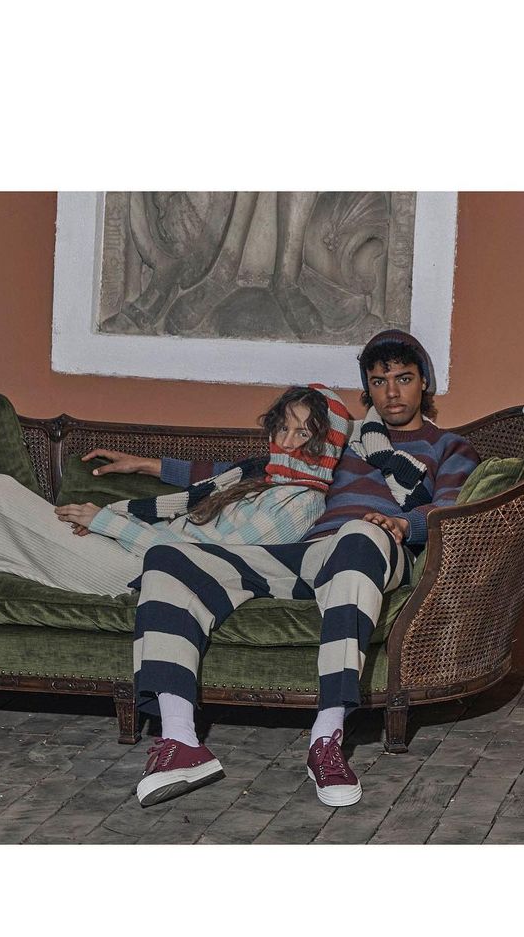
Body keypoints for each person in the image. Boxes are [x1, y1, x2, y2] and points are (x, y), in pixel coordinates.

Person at [121, 329, 481, 809]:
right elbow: (260, 467)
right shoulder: (345, 440)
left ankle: (326, 740)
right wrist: (151, 467)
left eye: (404, 378)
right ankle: (181, 740)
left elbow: (450, 512)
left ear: (424, 383)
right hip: (309, 553)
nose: (392, 392)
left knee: (358, 533)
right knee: (169, 559)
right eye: (379, 381)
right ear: (367, 389)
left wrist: (402, 522)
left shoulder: (449, 447)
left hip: (380, 546)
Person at [0, 333, 351, 600]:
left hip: (141, 575)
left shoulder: (300, 505)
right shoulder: (259, 474)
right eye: (283, 425)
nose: (287, 440)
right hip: (130, 549)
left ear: (325, 446)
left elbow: (203, 560)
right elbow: (192, 491)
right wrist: (122, 501)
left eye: (304, 433)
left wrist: (107, 521)